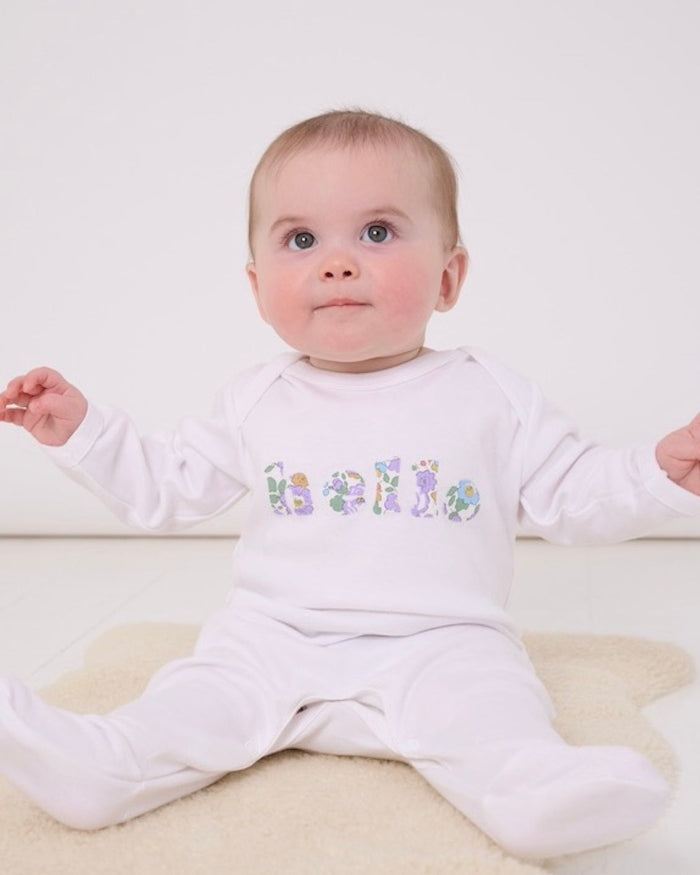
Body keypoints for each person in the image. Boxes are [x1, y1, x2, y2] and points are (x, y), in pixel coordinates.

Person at [1, 109, 699, 861]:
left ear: (448, 276)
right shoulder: (256, 398)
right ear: (258, 284)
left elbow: (573, 491)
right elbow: (166, 486)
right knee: (192, 701)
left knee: (494, 712)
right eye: (301, 240)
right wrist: (82, 430)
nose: (336, 263)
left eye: (377, 232)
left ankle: (535, 793)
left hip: (442, 641)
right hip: (274, 636)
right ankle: (100, 766)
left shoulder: (490, 393)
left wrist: (658, 470)